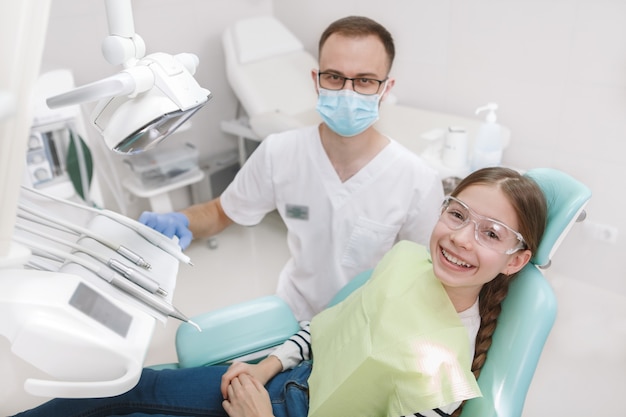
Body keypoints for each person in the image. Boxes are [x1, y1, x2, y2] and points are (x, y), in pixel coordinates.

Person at [13, 167, 548, 417]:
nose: (458, 236)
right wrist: (266, 366)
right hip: (286, 379)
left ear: (516, 260)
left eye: (490, 233)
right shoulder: (407, 261)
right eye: (457, 214)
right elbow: (327, 326)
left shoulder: (446, 376)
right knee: (130, 385)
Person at [139, 15, 444, 321]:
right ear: (316, 80)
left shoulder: (416, 180)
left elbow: (424, 275)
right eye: (334, 77)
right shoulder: (279, 152)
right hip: (294, 311)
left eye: (364, 80)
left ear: (385, 88)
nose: (347, 92)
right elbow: (221, 212)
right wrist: (180, 220)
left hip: (365, 322)